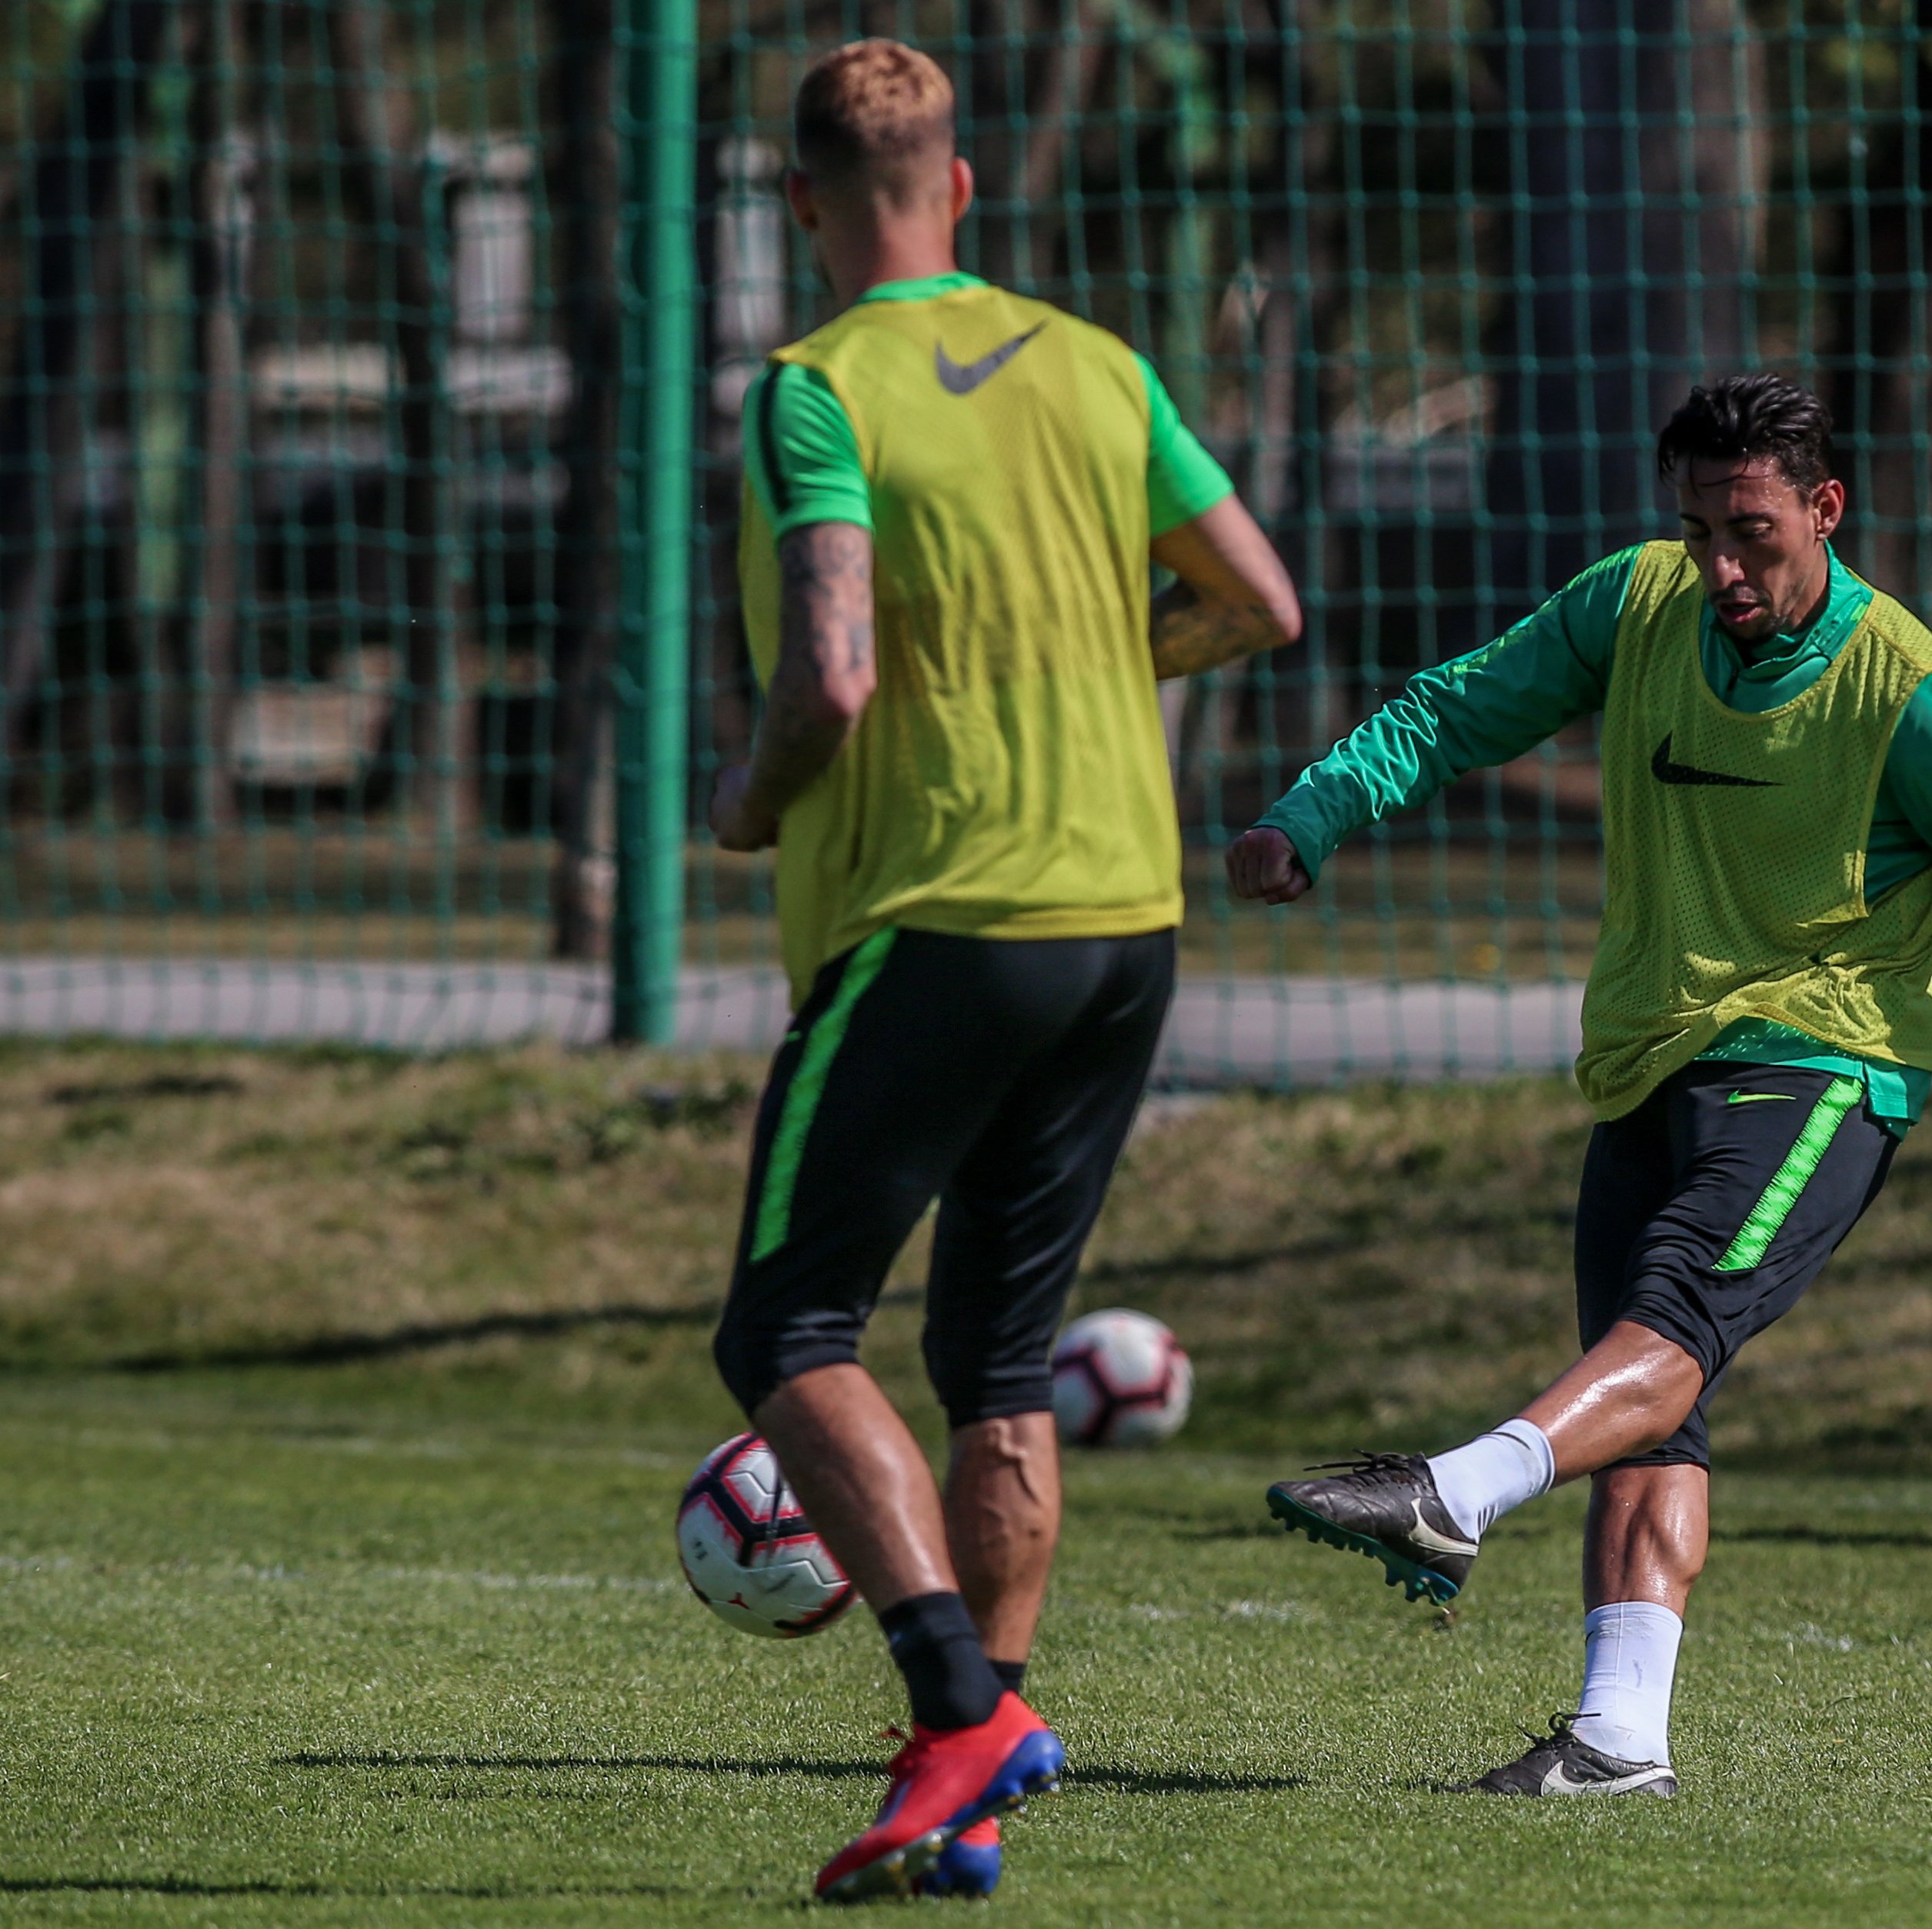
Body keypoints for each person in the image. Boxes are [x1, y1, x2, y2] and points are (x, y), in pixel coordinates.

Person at [1230, 373, 1932, 1797]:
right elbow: (1461, 707)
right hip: (1647, 1057)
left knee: (1670, 1316)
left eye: (1751, 532)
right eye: (1697, 530)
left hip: (1823, 1063)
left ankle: (1453, 1493)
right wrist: (1316, 810)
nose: (1719, 566)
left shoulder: (1913, 696)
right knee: (1646, 1400)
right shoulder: (1635, 604)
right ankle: (1619, 1741)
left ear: (1825, 510)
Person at [704, 39, 1300, 1901]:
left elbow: (834, 672)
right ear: (958, 186)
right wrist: (1099, 660)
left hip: (942, 916)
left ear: (800, 202)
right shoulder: (1099, 366)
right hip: (1123, 920)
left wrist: (750, 798)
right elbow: (1258, 601)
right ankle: (976, 1761)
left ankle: (956, 1708)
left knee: (785, 1334)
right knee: (991, 1355)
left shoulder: (815, 388)